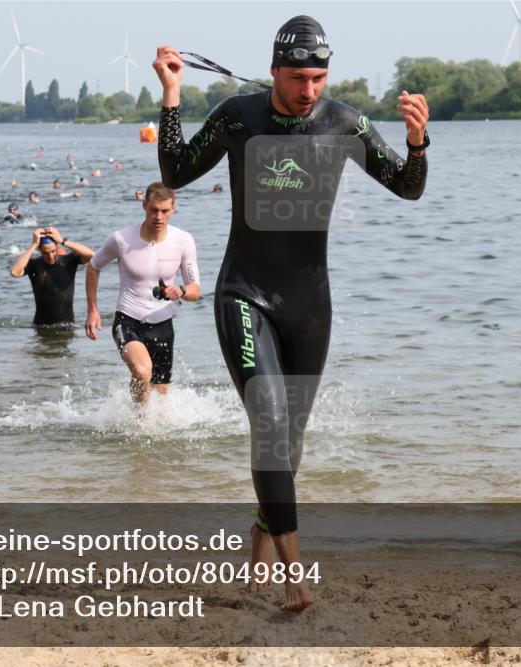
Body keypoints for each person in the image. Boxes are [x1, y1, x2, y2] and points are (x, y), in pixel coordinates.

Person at [153, 15, 429, 611]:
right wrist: (172, 95)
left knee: (288, 445)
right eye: (299, 77)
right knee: (271, 429)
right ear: (274, 70)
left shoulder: (344, 122)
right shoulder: (238, 116)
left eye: (319, 78)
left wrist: (416, 140)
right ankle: (294, 575)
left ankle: (260, 543)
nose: (310, 90)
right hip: (243, 293)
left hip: (310, 306)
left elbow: (408, 187)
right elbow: (173, 172)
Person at [84, 182, 201, 404]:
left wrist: (181, 290)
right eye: (154, 210)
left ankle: (139, 421)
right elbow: (93, 267)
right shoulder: (121, 239)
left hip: (163, 324)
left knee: (161, 395)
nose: (159, 216)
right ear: (144, 205)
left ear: (173, 209)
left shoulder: (183, 240)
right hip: (128, 319)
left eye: (165, 211)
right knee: (142, 370)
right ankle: (140, 424)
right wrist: (93, 310)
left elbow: (195, 290)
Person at [10, 227, 94, 326]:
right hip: (41, 326)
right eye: (46, 253)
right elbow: (14, 272)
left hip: (68, 325)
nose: (50, 256)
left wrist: (63, 241)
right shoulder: (34, 265)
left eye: (53, 251)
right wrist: (33, 244)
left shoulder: (68, 261)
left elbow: (92, 255)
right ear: (39, 250)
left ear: (57, 247)